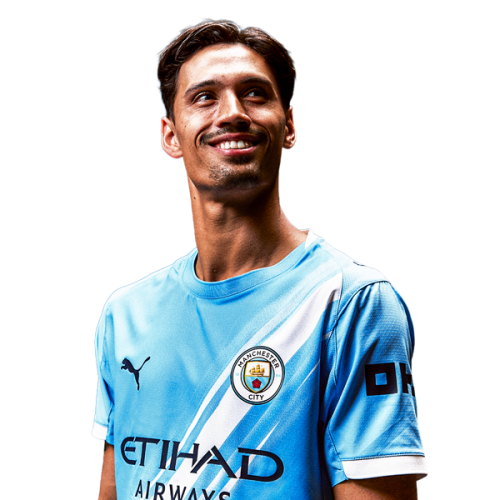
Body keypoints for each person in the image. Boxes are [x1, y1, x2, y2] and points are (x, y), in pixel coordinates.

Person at [92, 19, 429, 499]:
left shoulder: (351, 303)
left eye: (254, 94)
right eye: (204, 97)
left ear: (288, 125)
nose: (232, 113)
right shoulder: (126, 312)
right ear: (170, 136)